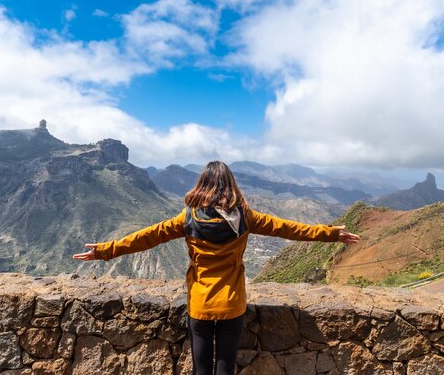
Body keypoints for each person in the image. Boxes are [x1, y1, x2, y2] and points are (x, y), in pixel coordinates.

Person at [73, 161, 360, 375]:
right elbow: (287, 228)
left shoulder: (187, 219)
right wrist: (329, 233)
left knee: (201, 370)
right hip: (232, 305)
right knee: (225, 370)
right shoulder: (247, 217)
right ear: (232, 185)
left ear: (202, 185)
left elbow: (147, 236)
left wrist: (105, 251)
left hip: (200, 304)